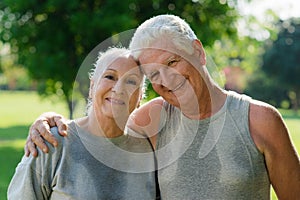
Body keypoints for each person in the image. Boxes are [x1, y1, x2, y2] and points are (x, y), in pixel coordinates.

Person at [25, 14, 300, 199]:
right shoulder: (152, 120)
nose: (167, 80)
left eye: (172, 62)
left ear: (198, 52)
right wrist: (49, 122)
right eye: (154, 74)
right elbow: (101, 129)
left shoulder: (259, 120)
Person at [8, 47, 157, 199]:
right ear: (92, 87)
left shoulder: (148, 154)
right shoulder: (50, 143)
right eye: (110, 77)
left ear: (140, 98)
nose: (119, 89)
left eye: (131, 81)